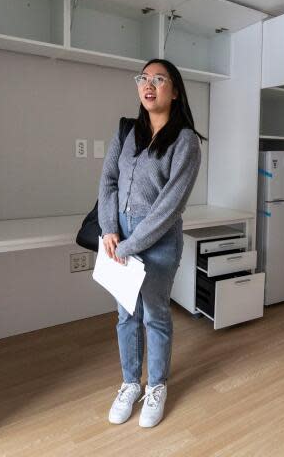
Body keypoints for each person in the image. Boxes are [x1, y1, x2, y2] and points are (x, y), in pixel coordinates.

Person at [97, 58, 203, 428]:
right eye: (144, 78)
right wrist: (110, 229)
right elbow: (108, 180)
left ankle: (156, 386)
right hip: (119, 237)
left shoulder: (186, 141)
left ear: (174, 91)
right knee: (127, 314)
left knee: (155, 315)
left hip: (157, 242)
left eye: (160, 79)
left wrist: (130, 246)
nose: (150, 84)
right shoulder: (127, 132)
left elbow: (170, 206)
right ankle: (130, 383)